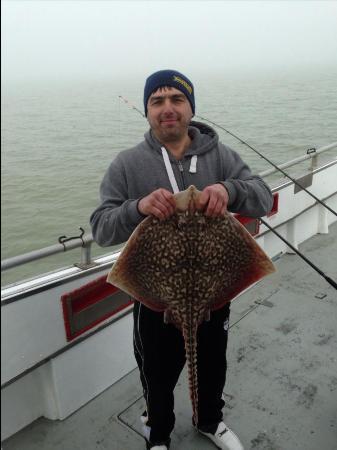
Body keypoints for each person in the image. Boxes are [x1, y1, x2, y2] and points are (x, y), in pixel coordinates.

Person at [90, 69, 273, 450]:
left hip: (213, 292)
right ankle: (158, 432)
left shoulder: (221, 156)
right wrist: (137, 207)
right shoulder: (127, 164)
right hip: (155, 296)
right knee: (156, 373)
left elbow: (261, 197)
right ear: (147, 111)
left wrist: (229, 188)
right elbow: (102, 228)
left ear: (191, 108)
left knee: (212, 365)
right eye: (157, 101)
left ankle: (209, 421)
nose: (167, 108)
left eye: (177, 99)